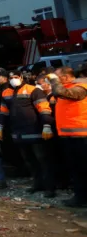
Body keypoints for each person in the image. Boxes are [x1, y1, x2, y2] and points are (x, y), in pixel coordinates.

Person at [0, 71, 53, 194]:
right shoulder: (6, 93)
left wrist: (46, 125)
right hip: (19, 133)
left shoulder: (33, 90)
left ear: (21, 77)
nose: (13, 79)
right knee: (29, 161)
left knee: (43, 160)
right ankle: (37, 184)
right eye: (11, 77)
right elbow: (3, 112)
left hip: (35, 131)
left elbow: (44, 108)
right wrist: (0, 126)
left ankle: (49, 187)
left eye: (16, 77)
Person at [47, 68, 87, 207]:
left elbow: (61, 92)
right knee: (76, 169)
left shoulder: (81, 88)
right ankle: (80, 198)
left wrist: (54, 80)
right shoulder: (68, 88)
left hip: (82, 136)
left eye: (58, 77)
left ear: (65, 77)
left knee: (83, 168)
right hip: (69, 135)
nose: (55, 79)